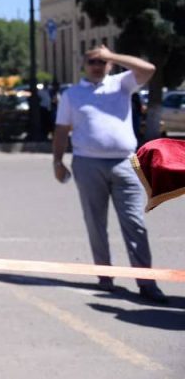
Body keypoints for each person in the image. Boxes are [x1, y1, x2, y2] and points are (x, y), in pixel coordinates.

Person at [52, 44, 167, 303]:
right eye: (92, 61)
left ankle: (146, 282)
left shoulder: (121, 84)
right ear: (84, 65)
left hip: (125, 163)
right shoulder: (72, 94)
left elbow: (148, 69)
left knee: (135, 223)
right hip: (87, 163)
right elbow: (61, 129)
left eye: (101, 61)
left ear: (110, 64)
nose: (97, 65)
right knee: (96, 223)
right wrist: (57, 161)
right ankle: (105, 276)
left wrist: (111, 54)